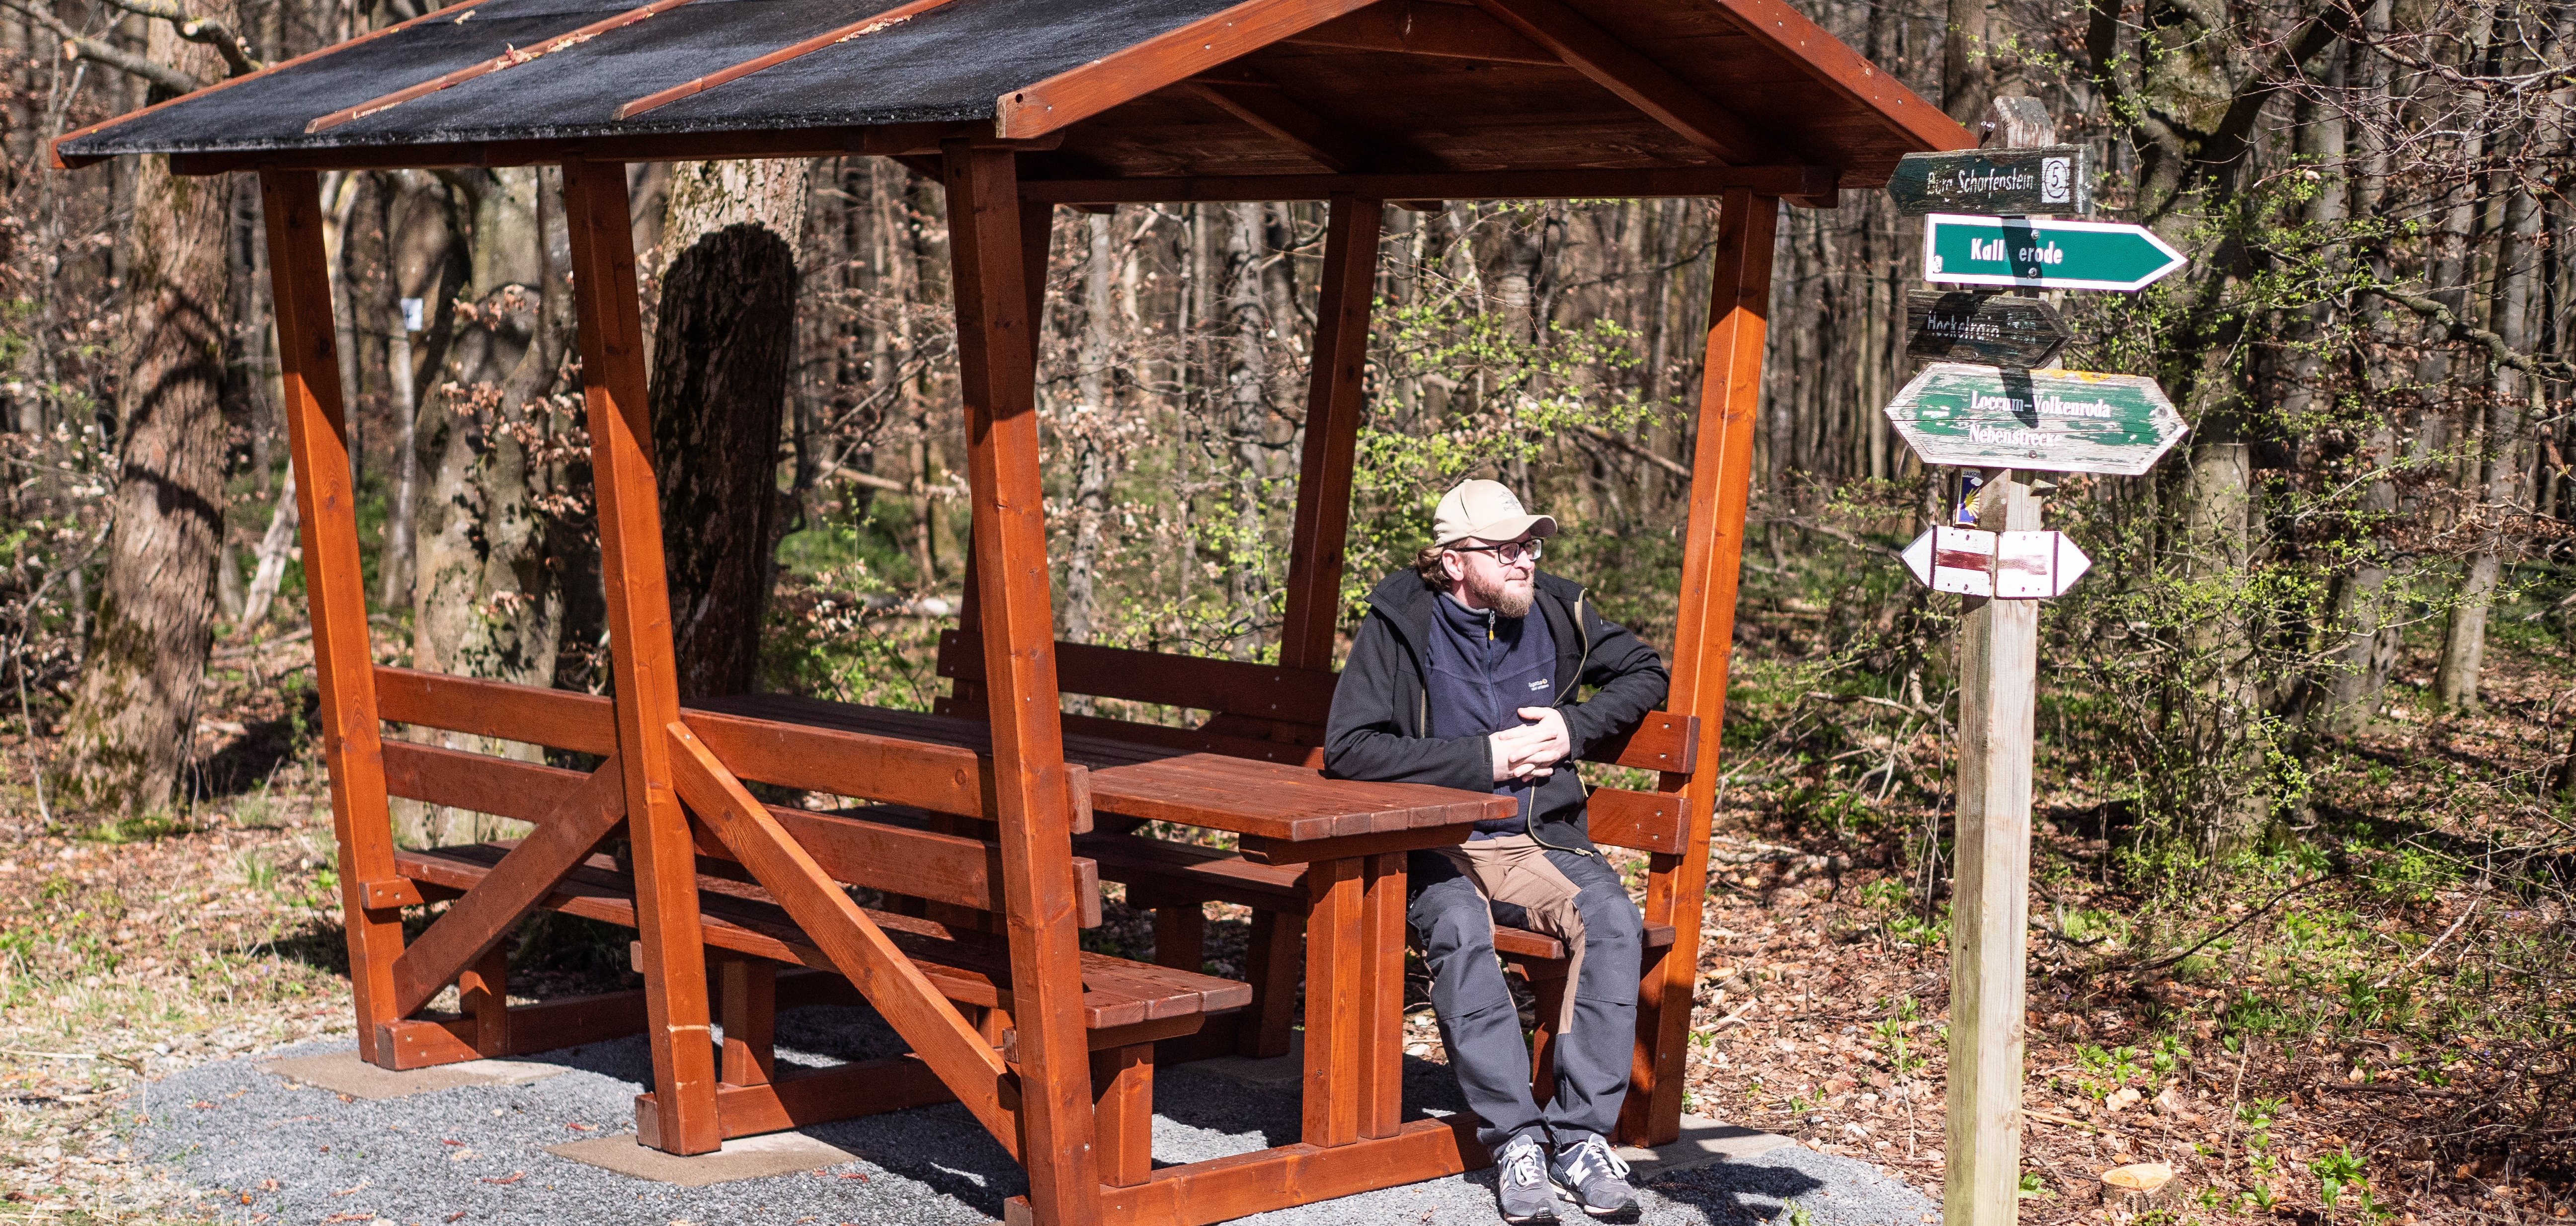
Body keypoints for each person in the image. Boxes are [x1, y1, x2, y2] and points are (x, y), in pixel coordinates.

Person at [1323, 478, 1671, 1224]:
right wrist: (1482, 760)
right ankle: (1515, 1135)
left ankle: (1579, 1137)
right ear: (1454, 562)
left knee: (1610, 920)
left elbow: (1646, 670)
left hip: (1535, 838)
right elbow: (1350, 749)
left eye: (1530, 545)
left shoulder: (1556, 610)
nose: (1524, 562)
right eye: (1505, 548)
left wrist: (1573, 730)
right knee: (1456, 927)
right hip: (1436, 844)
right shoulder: (1400, 624)